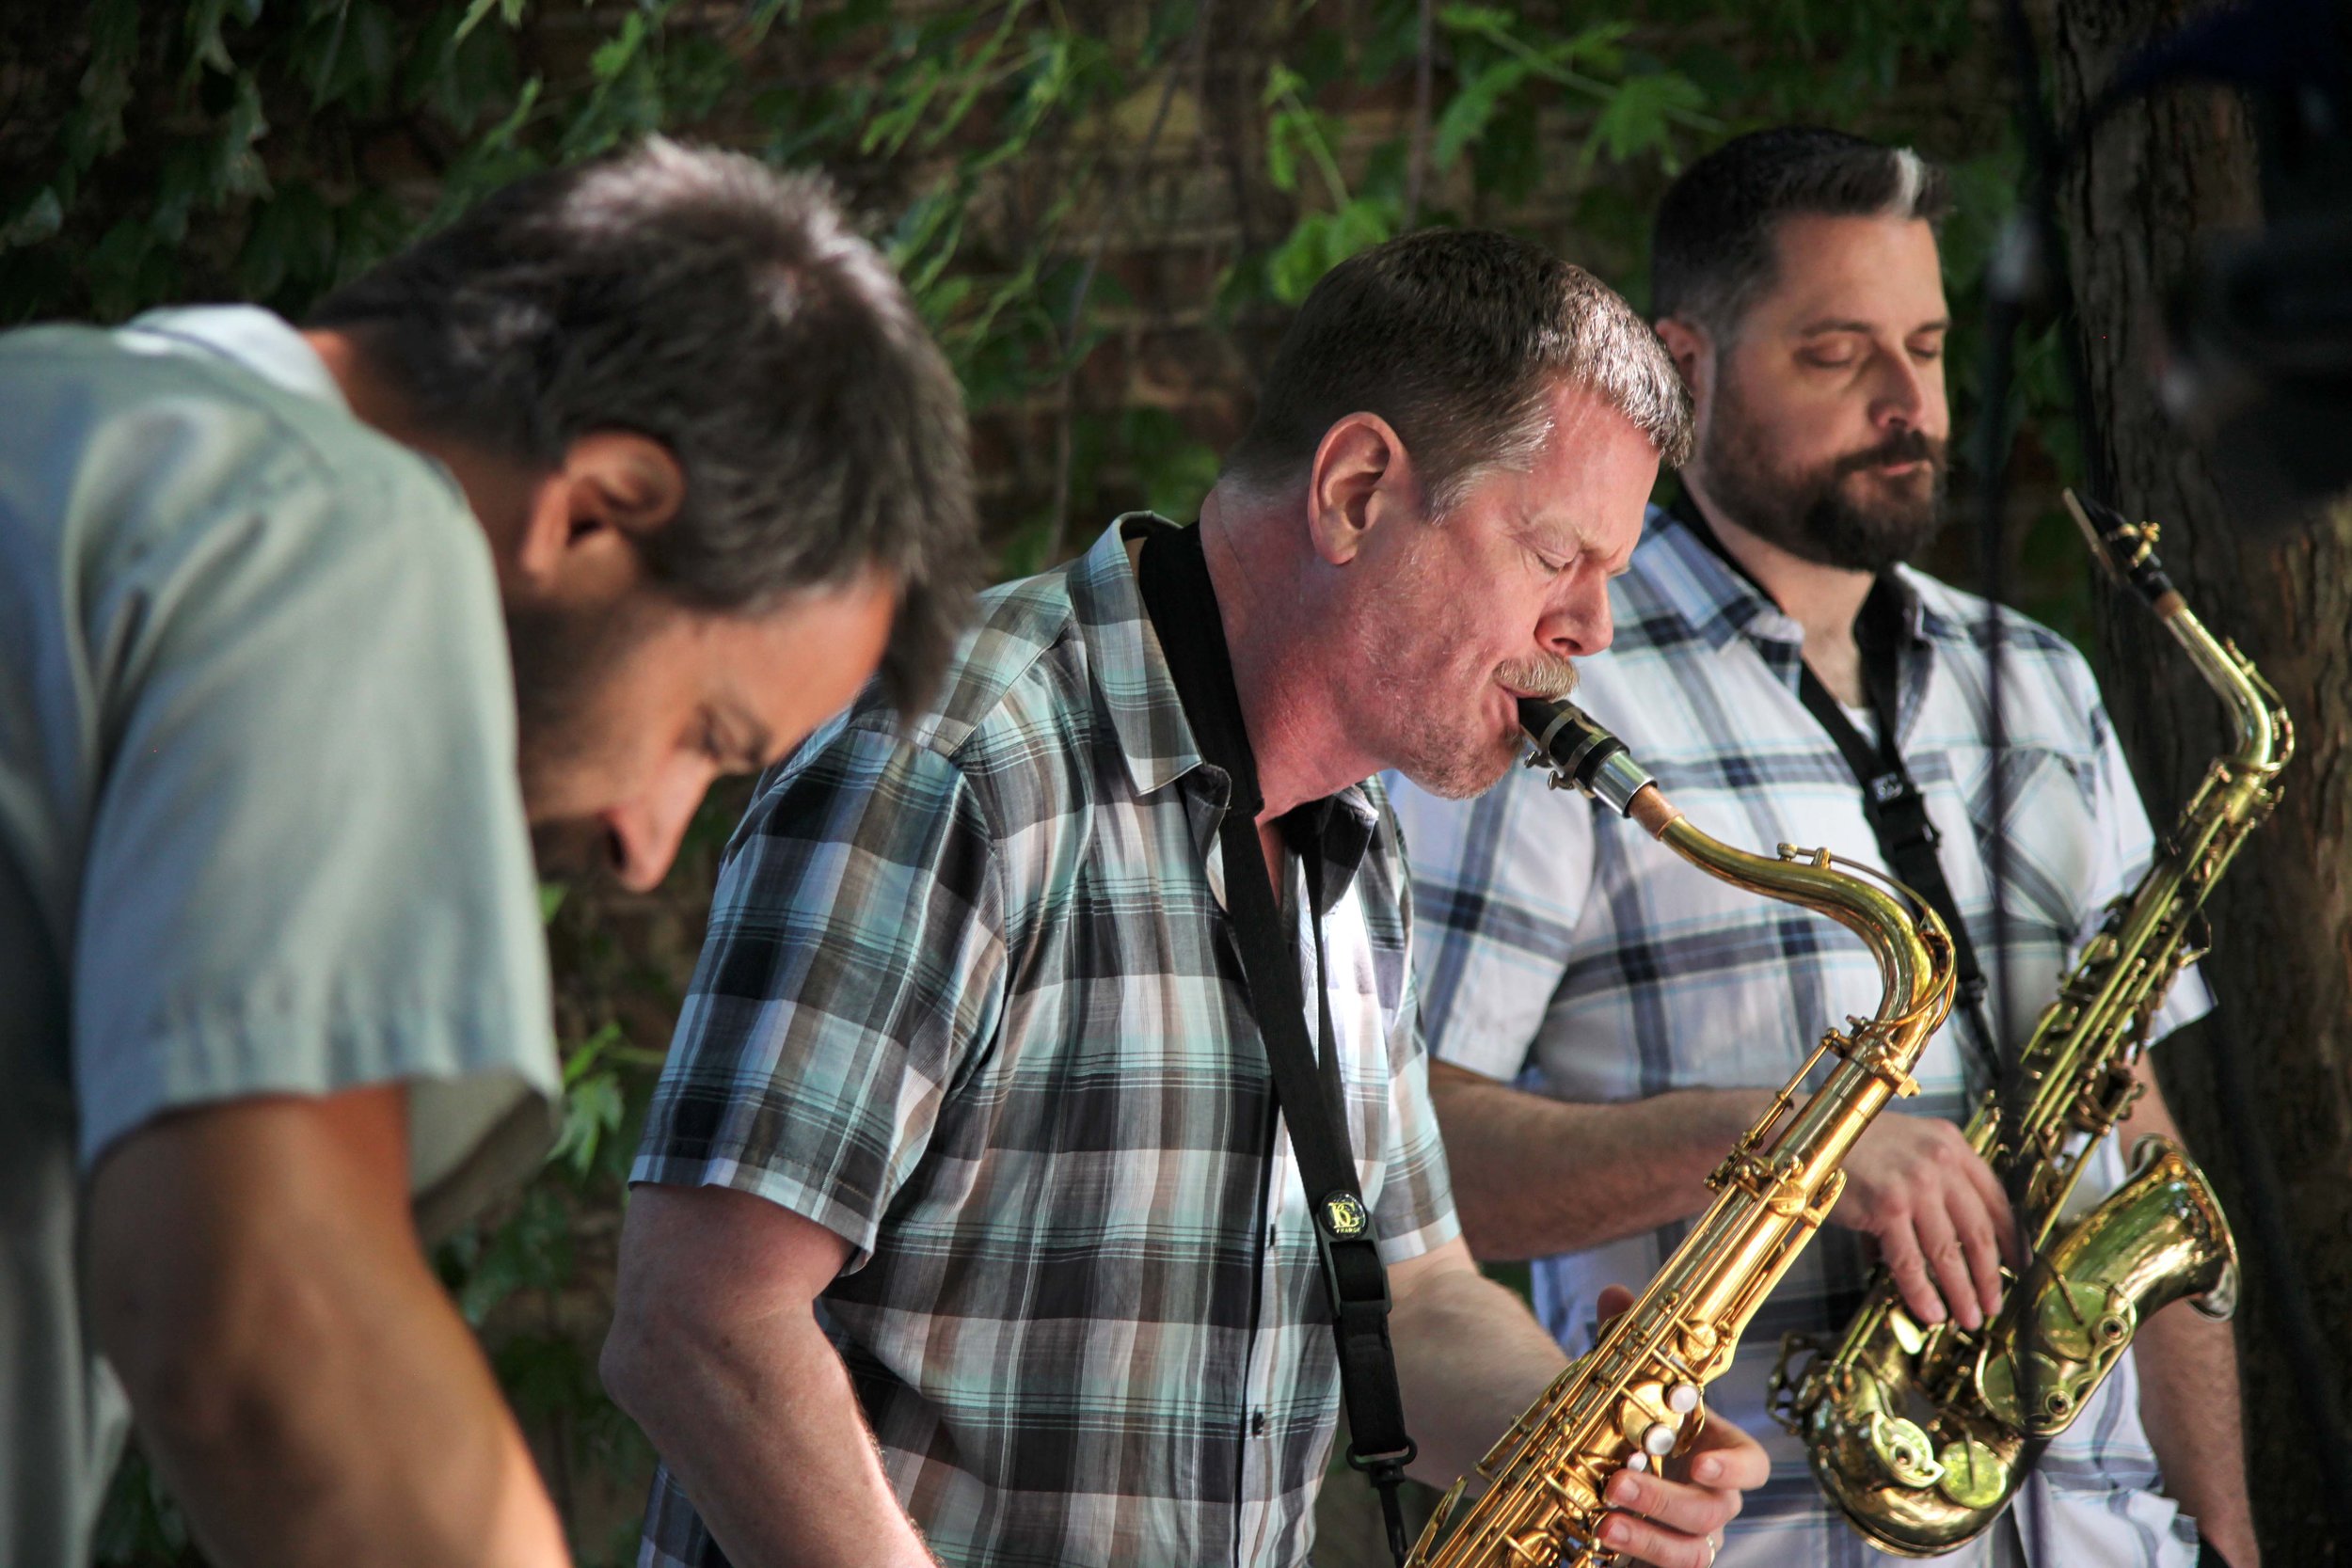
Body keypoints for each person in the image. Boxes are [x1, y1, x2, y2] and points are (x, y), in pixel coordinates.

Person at [601, 229, 1772, 1568]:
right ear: (1356, 490)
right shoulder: (955, 761)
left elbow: (1414, 1289)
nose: (1594, 628)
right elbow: (699, 1324)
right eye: (1559, 555)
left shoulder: (1352, 833)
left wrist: (1581, 1436)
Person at [0, 137, 979, 1568]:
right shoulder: (336, 530)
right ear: (593, 509)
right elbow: (274, 1334)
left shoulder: (60, 422)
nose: (647, 848)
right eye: (707, 734)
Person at [1389, 129, 2261, 1568]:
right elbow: (1403, 1155)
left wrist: (2222, 1536)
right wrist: (1765, 1147)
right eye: (1839, 352)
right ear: (1686, 367)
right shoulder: (1552, 697)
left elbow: (2136, 1137)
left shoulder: (2037, 683)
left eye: (1923, 345)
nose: (1909, 400)